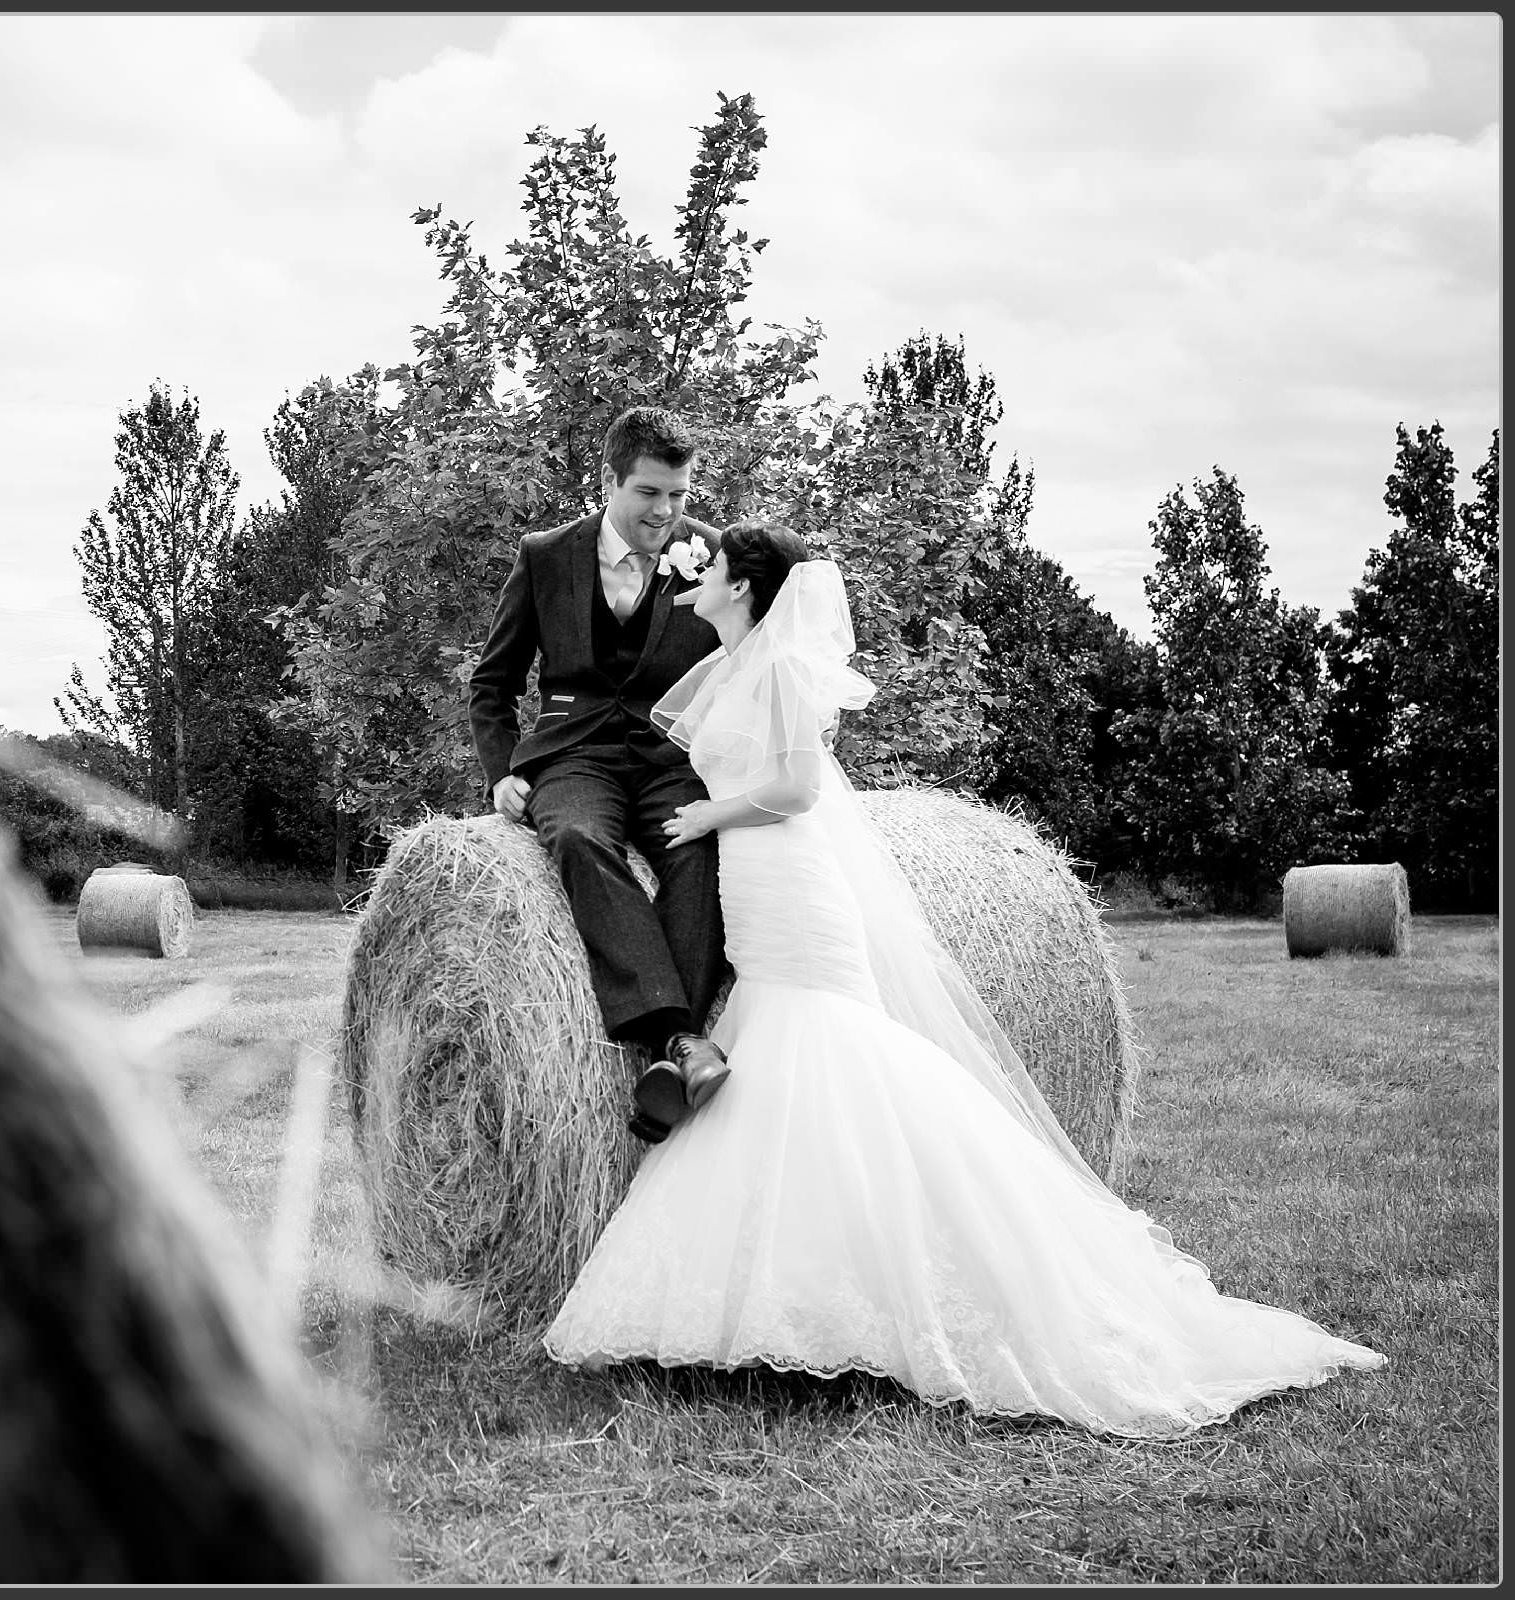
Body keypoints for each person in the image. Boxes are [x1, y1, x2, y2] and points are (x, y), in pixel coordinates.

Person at [541, 522, 1388, 1437]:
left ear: (744, 588)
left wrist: (710, 812)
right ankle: (787, 1300)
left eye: (710, 575)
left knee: (824, 1047)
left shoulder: (779, 671)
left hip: (787, 877)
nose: (692, 580)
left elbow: (794, 788)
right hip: (757, 887)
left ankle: (891, 1289)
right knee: (779, 1048)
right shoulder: (741, 665)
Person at [469, 406, 734, 1144]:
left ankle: (663, 1055)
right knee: (581, 840)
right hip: (573, 754)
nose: (667, 511)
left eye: (679, 494)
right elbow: (492, 682)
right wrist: (500, 772)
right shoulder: (547, 554)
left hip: (669, 758)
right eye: (650, 492)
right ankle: (682, 1040)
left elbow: (747, 659)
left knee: (699, 852)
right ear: (611, 480)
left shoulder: (710, 553)